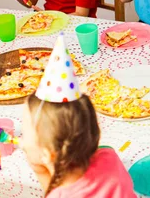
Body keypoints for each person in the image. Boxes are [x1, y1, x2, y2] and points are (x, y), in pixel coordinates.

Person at [21, 34, 136, 197]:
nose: (20, 141)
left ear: (48, 154)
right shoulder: (109, 157)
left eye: (24, 134)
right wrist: (41, 168)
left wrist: (40, 170)